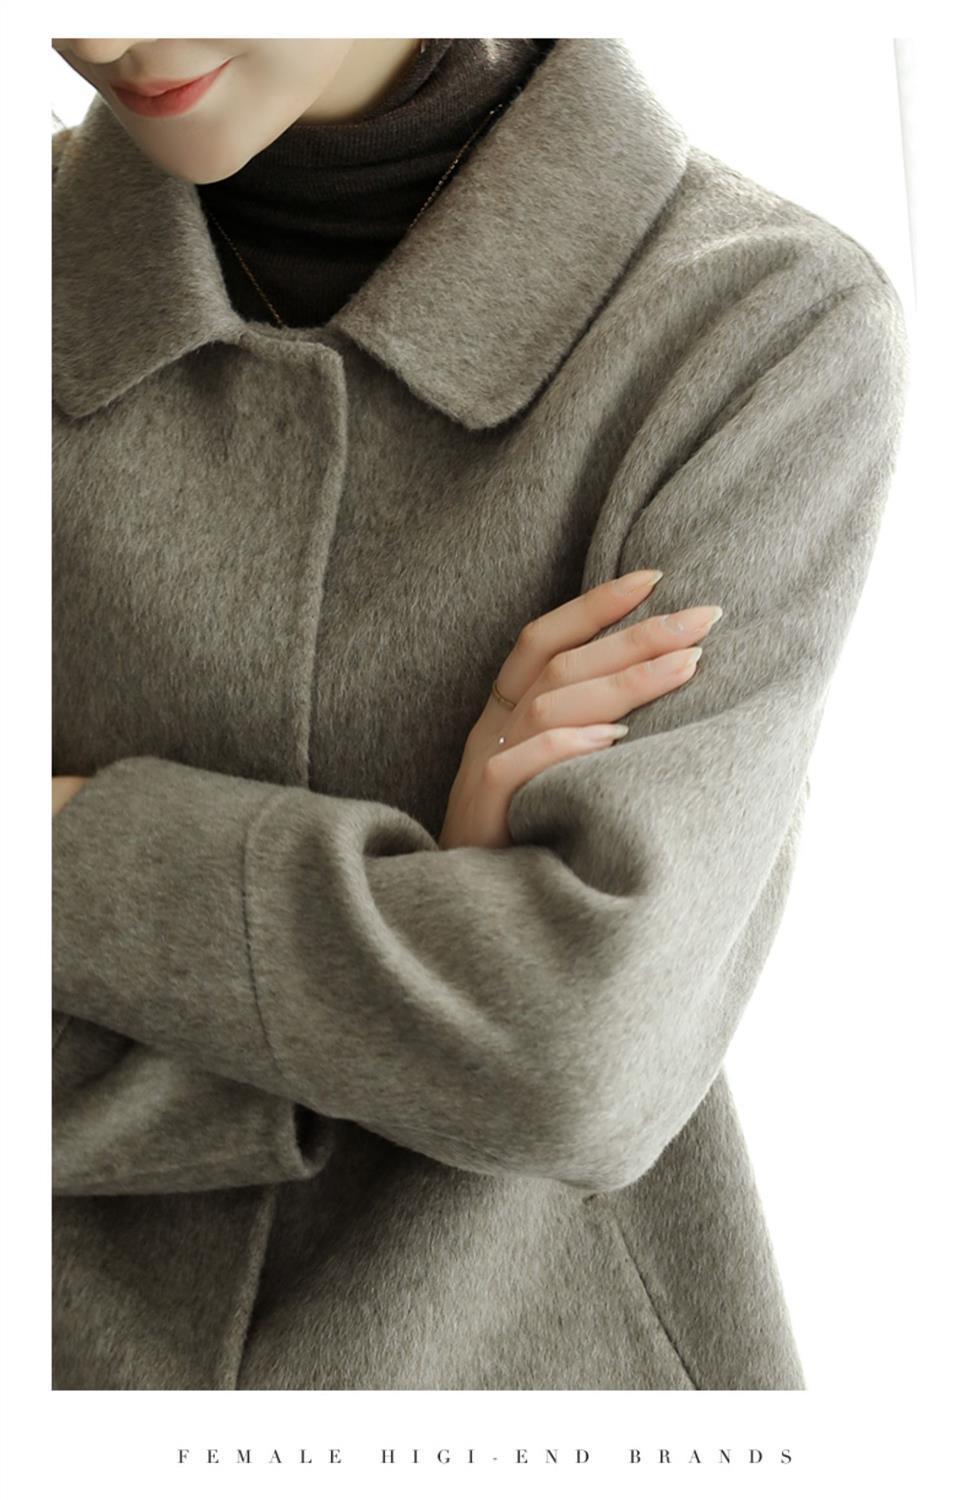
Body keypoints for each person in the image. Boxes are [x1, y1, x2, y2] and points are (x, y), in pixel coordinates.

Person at [50, 37, 909, 1390]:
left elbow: (584, 1052)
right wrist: (439, 966)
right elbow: (524, 1040)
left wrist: (60, 839)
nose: (98, 32)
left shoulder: (757, 320)